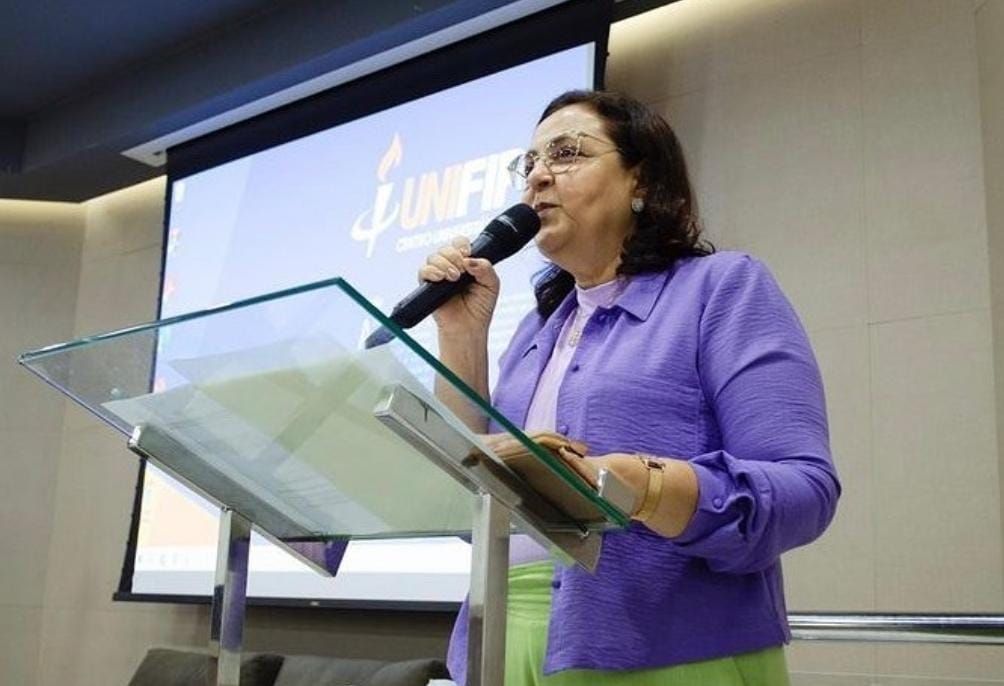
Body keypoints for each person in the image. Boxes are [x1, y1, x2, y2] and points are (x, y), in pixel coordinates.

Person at [419, 90, 840, 686]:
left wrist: (642, 488)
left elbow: (804, 489)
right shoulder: (538, 328)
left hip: (664, 647)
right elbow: (469, 496)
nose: (538, 176)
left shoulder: (721, 289)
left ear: (640, 180)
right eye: (530, 162)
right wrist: (461, 337)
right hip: (500, 644)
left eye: (566, 154)